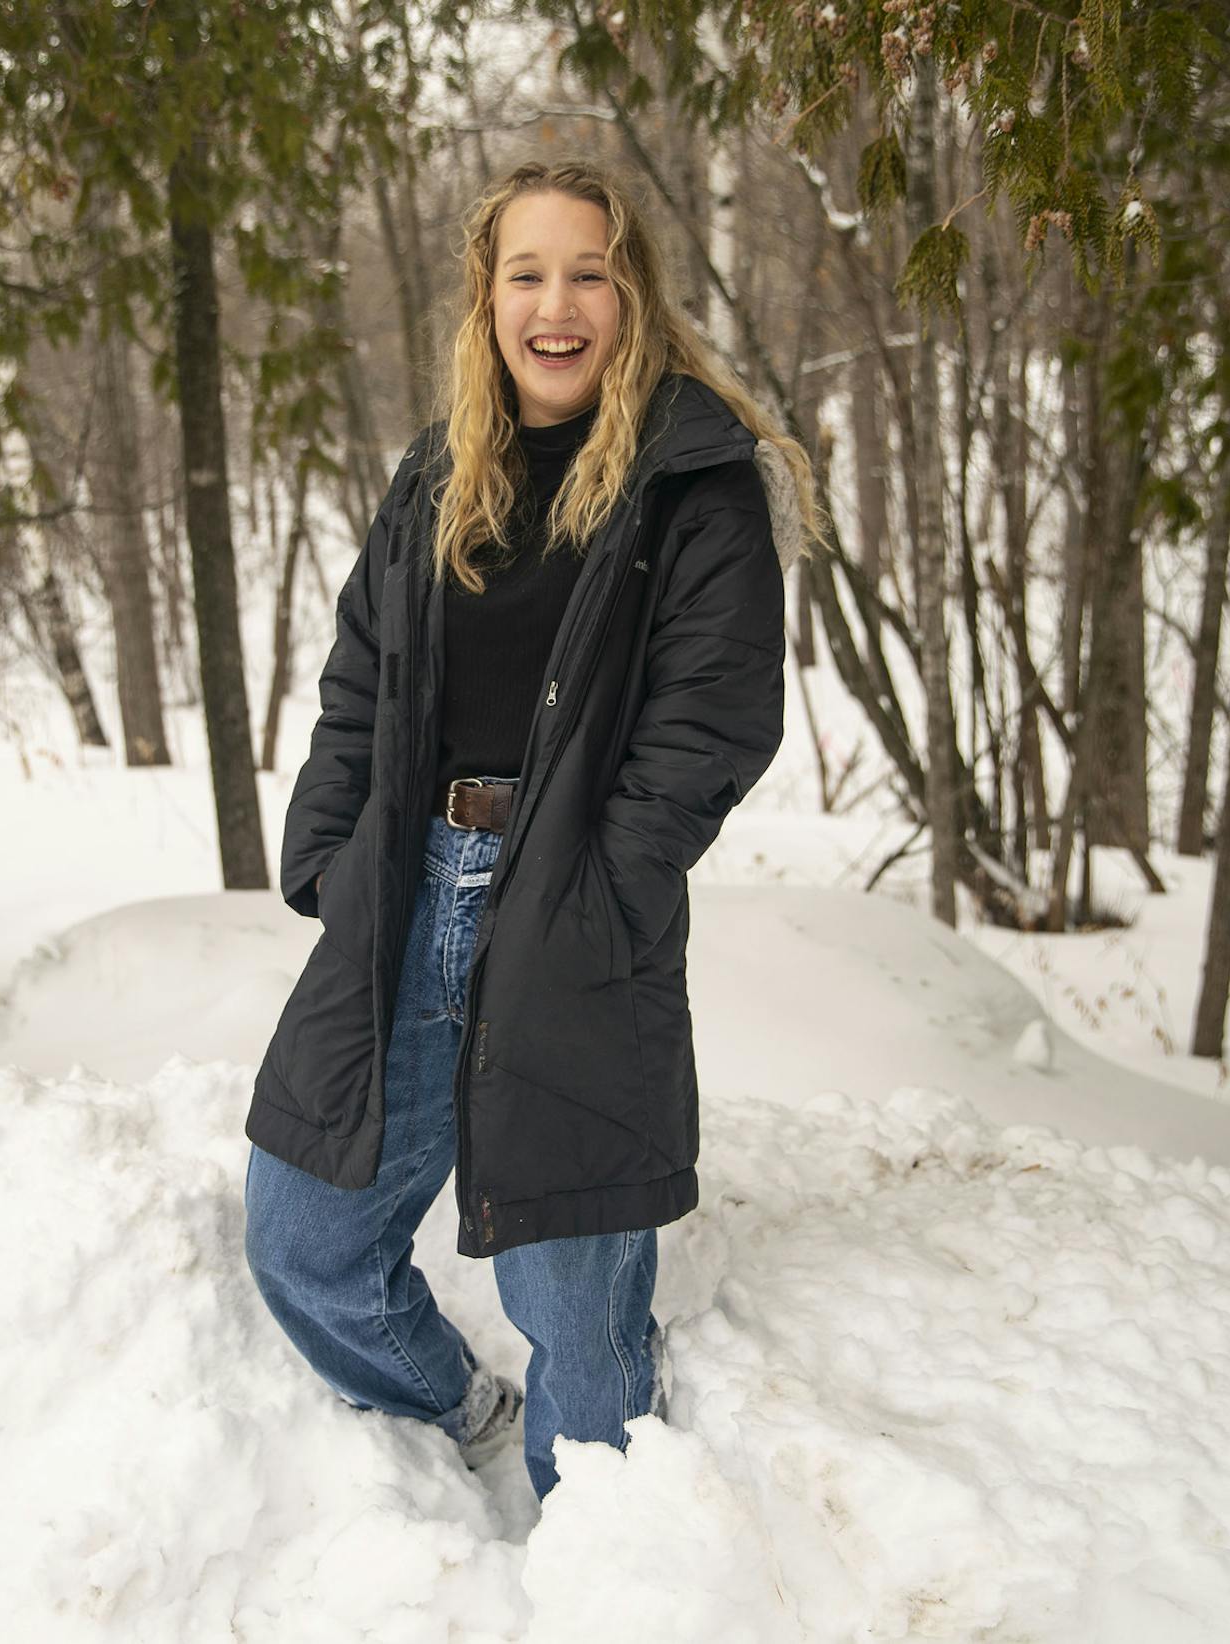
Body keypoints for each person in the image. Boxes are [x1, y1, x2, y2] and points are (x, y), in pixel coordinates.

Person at [241, 156, 824, 1502]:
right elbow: (359, 682)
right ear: (484, 297)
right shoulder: (440, 466)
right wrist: (331, 853)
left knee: (575, 1297)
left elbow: (712, 722)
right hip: (405, 884)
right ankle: (456, 1402)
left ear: (632, 294)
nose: (556, 305)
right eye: (527, 273)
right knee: (304, 1239)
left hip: (569, 899)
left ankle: (608, 1549)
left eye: (588, 273)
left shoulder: (696, 481)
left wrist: (604, 891)